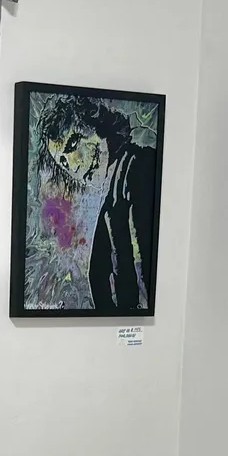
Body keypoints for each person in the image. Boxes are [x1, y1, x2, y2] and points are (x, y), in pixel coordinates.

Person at [35, 94, 160, 311]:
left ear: (97, 126)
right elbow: (98, 278)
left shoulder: (141, 167)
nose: (73, 165)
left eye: (73, 143)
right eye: (63, 162)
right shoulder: (111, 198)